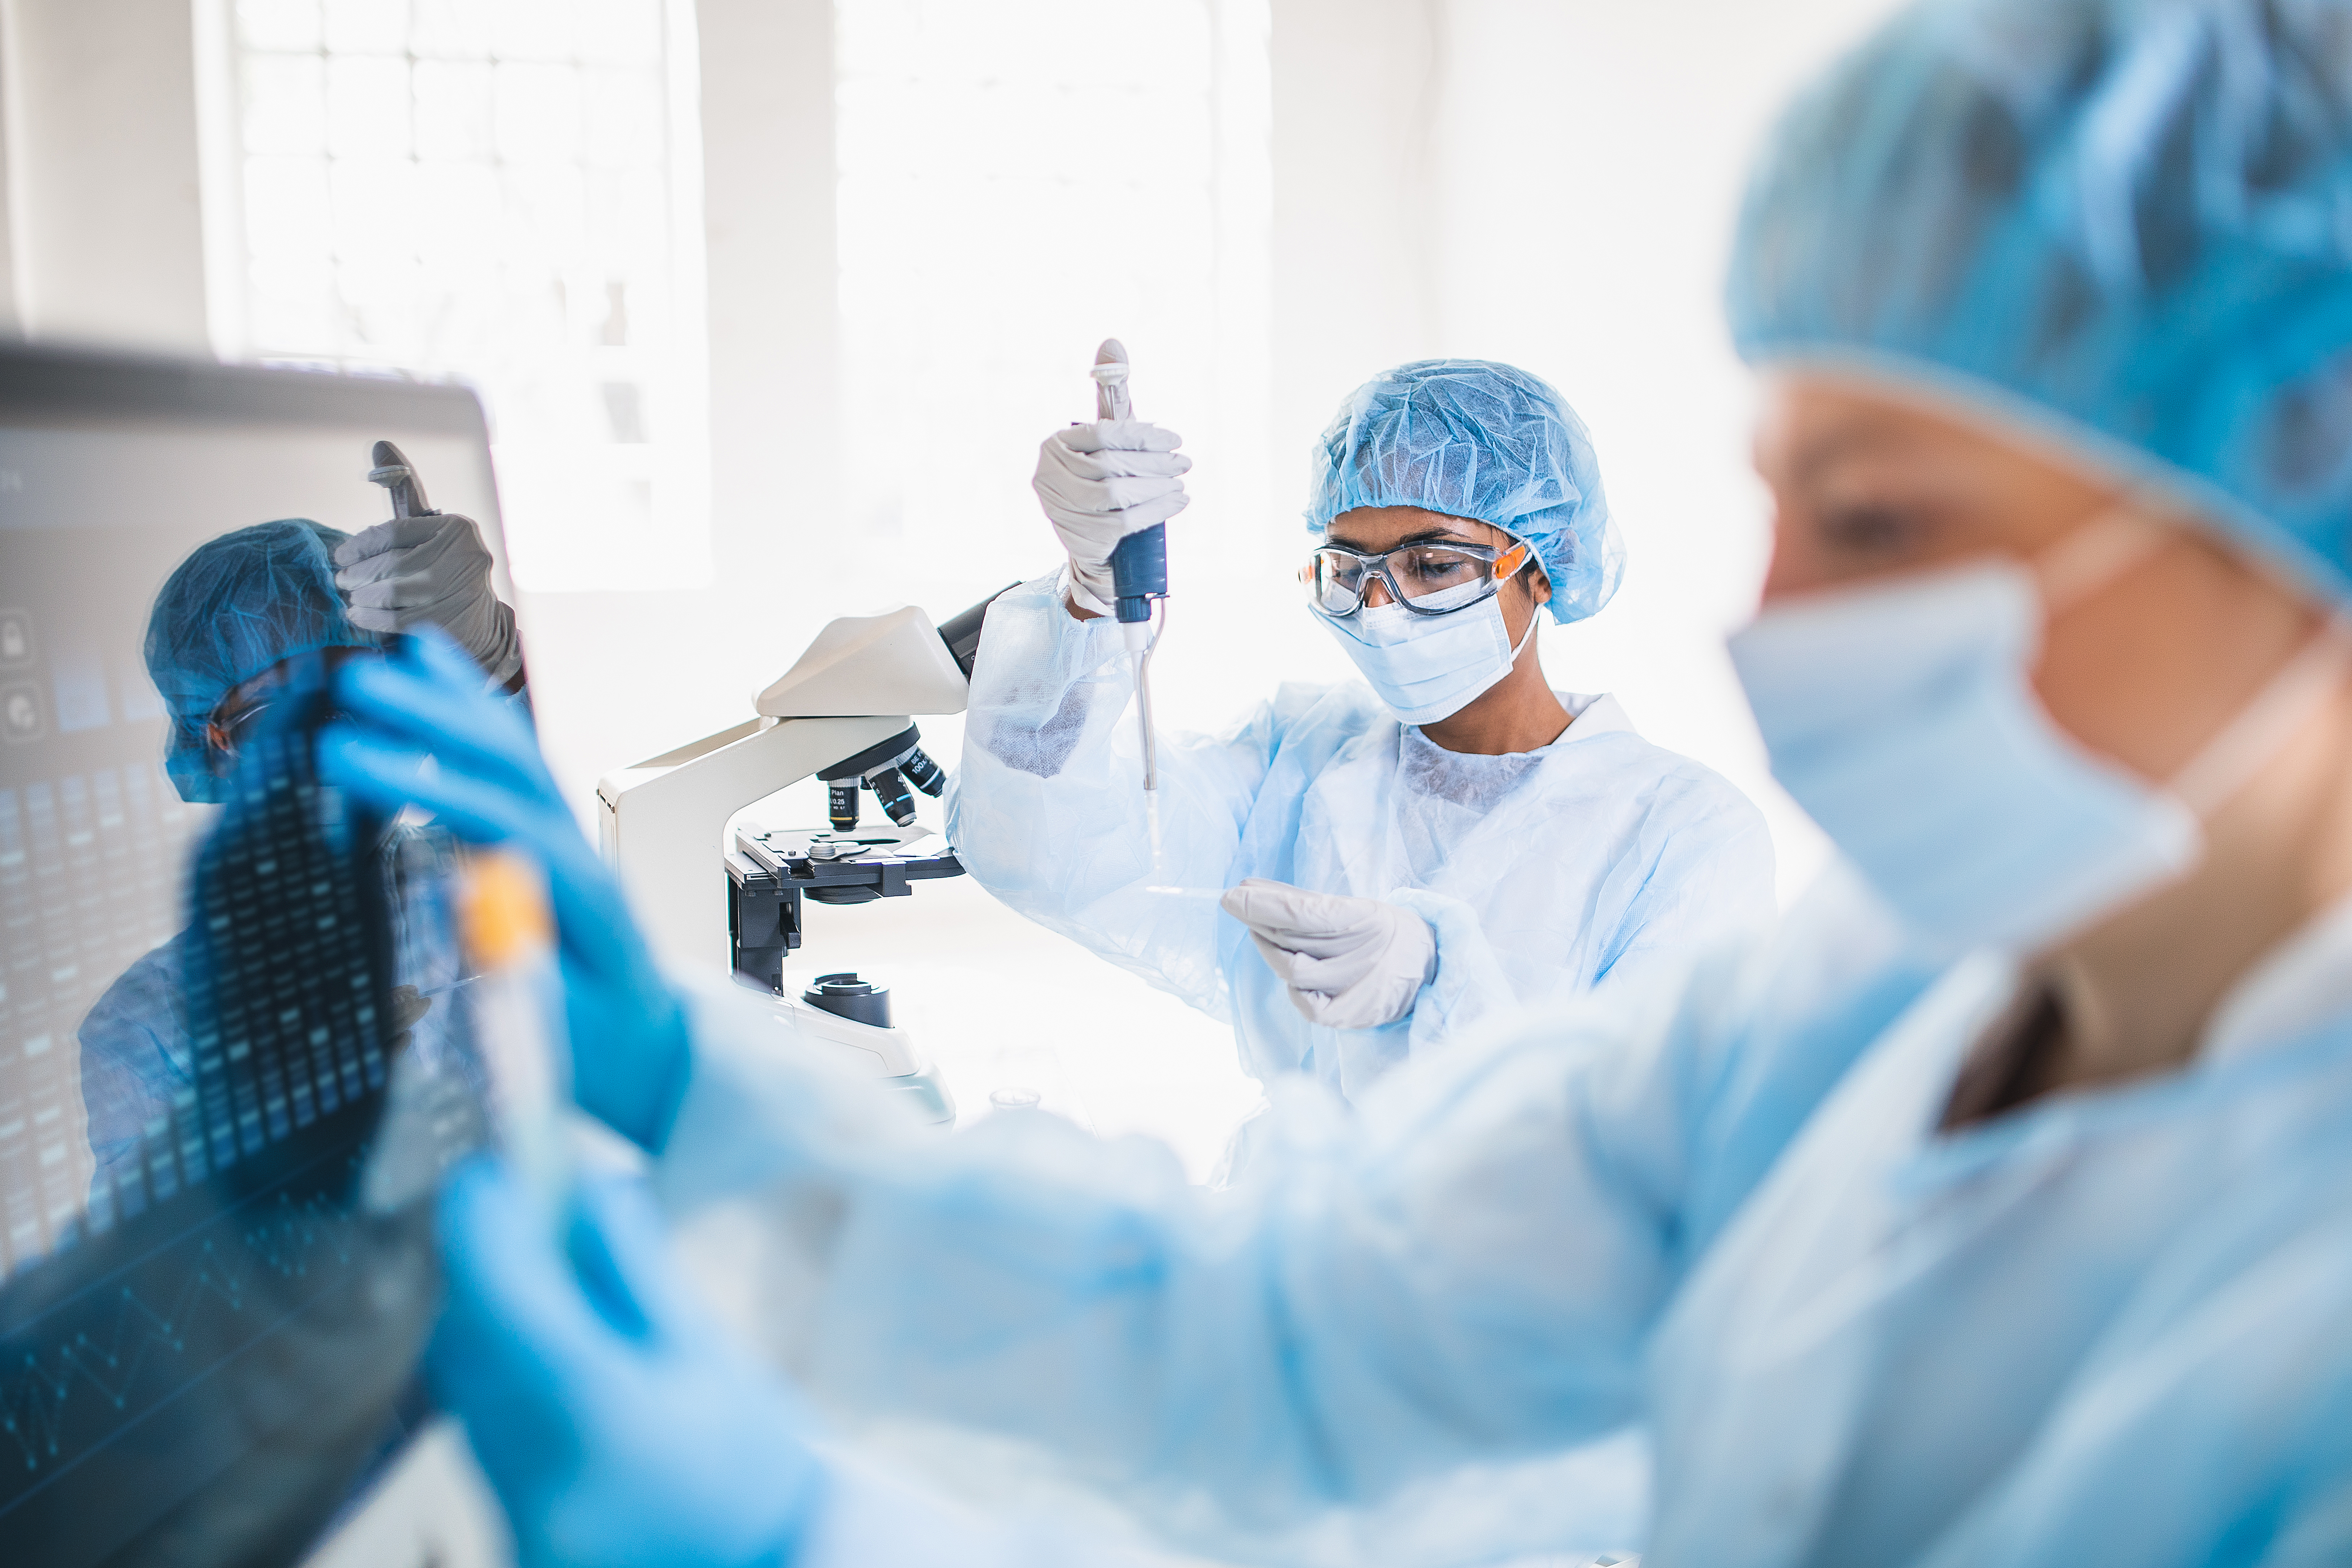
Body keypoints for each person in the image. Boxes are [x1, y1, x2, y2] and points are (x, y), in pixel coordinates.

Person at [329, 0, 2352, 1561]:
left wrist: (1445, 975)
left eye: (1882, 524)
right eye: (1776, 511)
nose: (1774, 612)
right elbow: (1287, 1314)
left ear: (2283, 501)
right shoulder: (1869, 998)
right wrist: (689, 1090)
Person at [952, 359, 1774, 1100]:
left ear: (1544, 567)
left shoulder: (1687, 834)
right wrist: (1088, 600)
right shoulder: (1297, 755)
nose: (1379, 608)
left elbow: (1657, 1135)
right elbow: (1044, 846)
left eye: (1434, 563)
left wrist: (1441, 986)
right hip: (1289, 1240)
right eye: (1350, 567)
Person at [78, 513, 520, 1203]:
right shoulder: (146, 1025)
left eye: (348, 698)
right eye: (276, 719)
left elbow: (547, 862)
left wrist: (495, 669)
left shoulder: (467, 872)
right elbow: (167, 1281)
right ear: (212, 747)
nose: (326, 750)